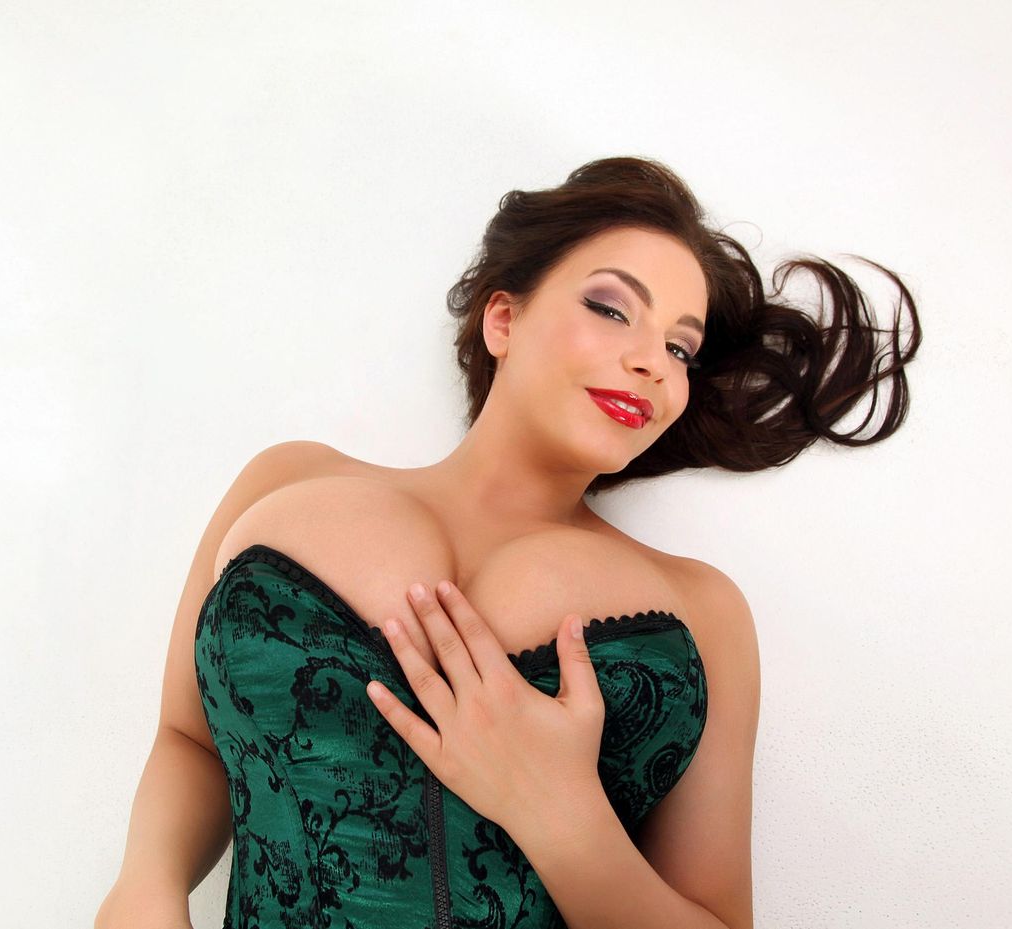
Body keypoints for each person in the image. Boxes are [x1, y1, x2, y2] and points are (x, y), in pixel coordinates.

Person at [95, 155, 921, 929]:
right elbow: (189, 738)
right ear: (503, 318)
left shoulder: (705, 610)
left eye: (680, 348)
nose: (653, 362)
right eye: (611, 308)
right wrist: (146, 882)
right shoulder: (283, 479)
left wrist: (563, 817)